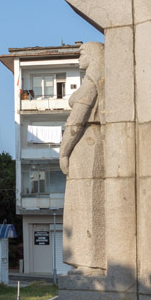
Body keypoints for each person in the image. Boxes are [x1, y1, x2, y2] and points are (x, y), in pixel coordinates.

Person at [59, 41, 105, 274]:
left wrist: (64, 151)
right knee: (89, 203)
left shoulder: (92, 80)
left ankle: (90, 261)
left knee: (86, 204)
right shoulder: (103, 77)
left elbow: (76, 121)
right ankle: (90, 260)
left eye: (83, 52)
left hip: (87, 144)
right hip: (95, 142)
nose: (79, 57)